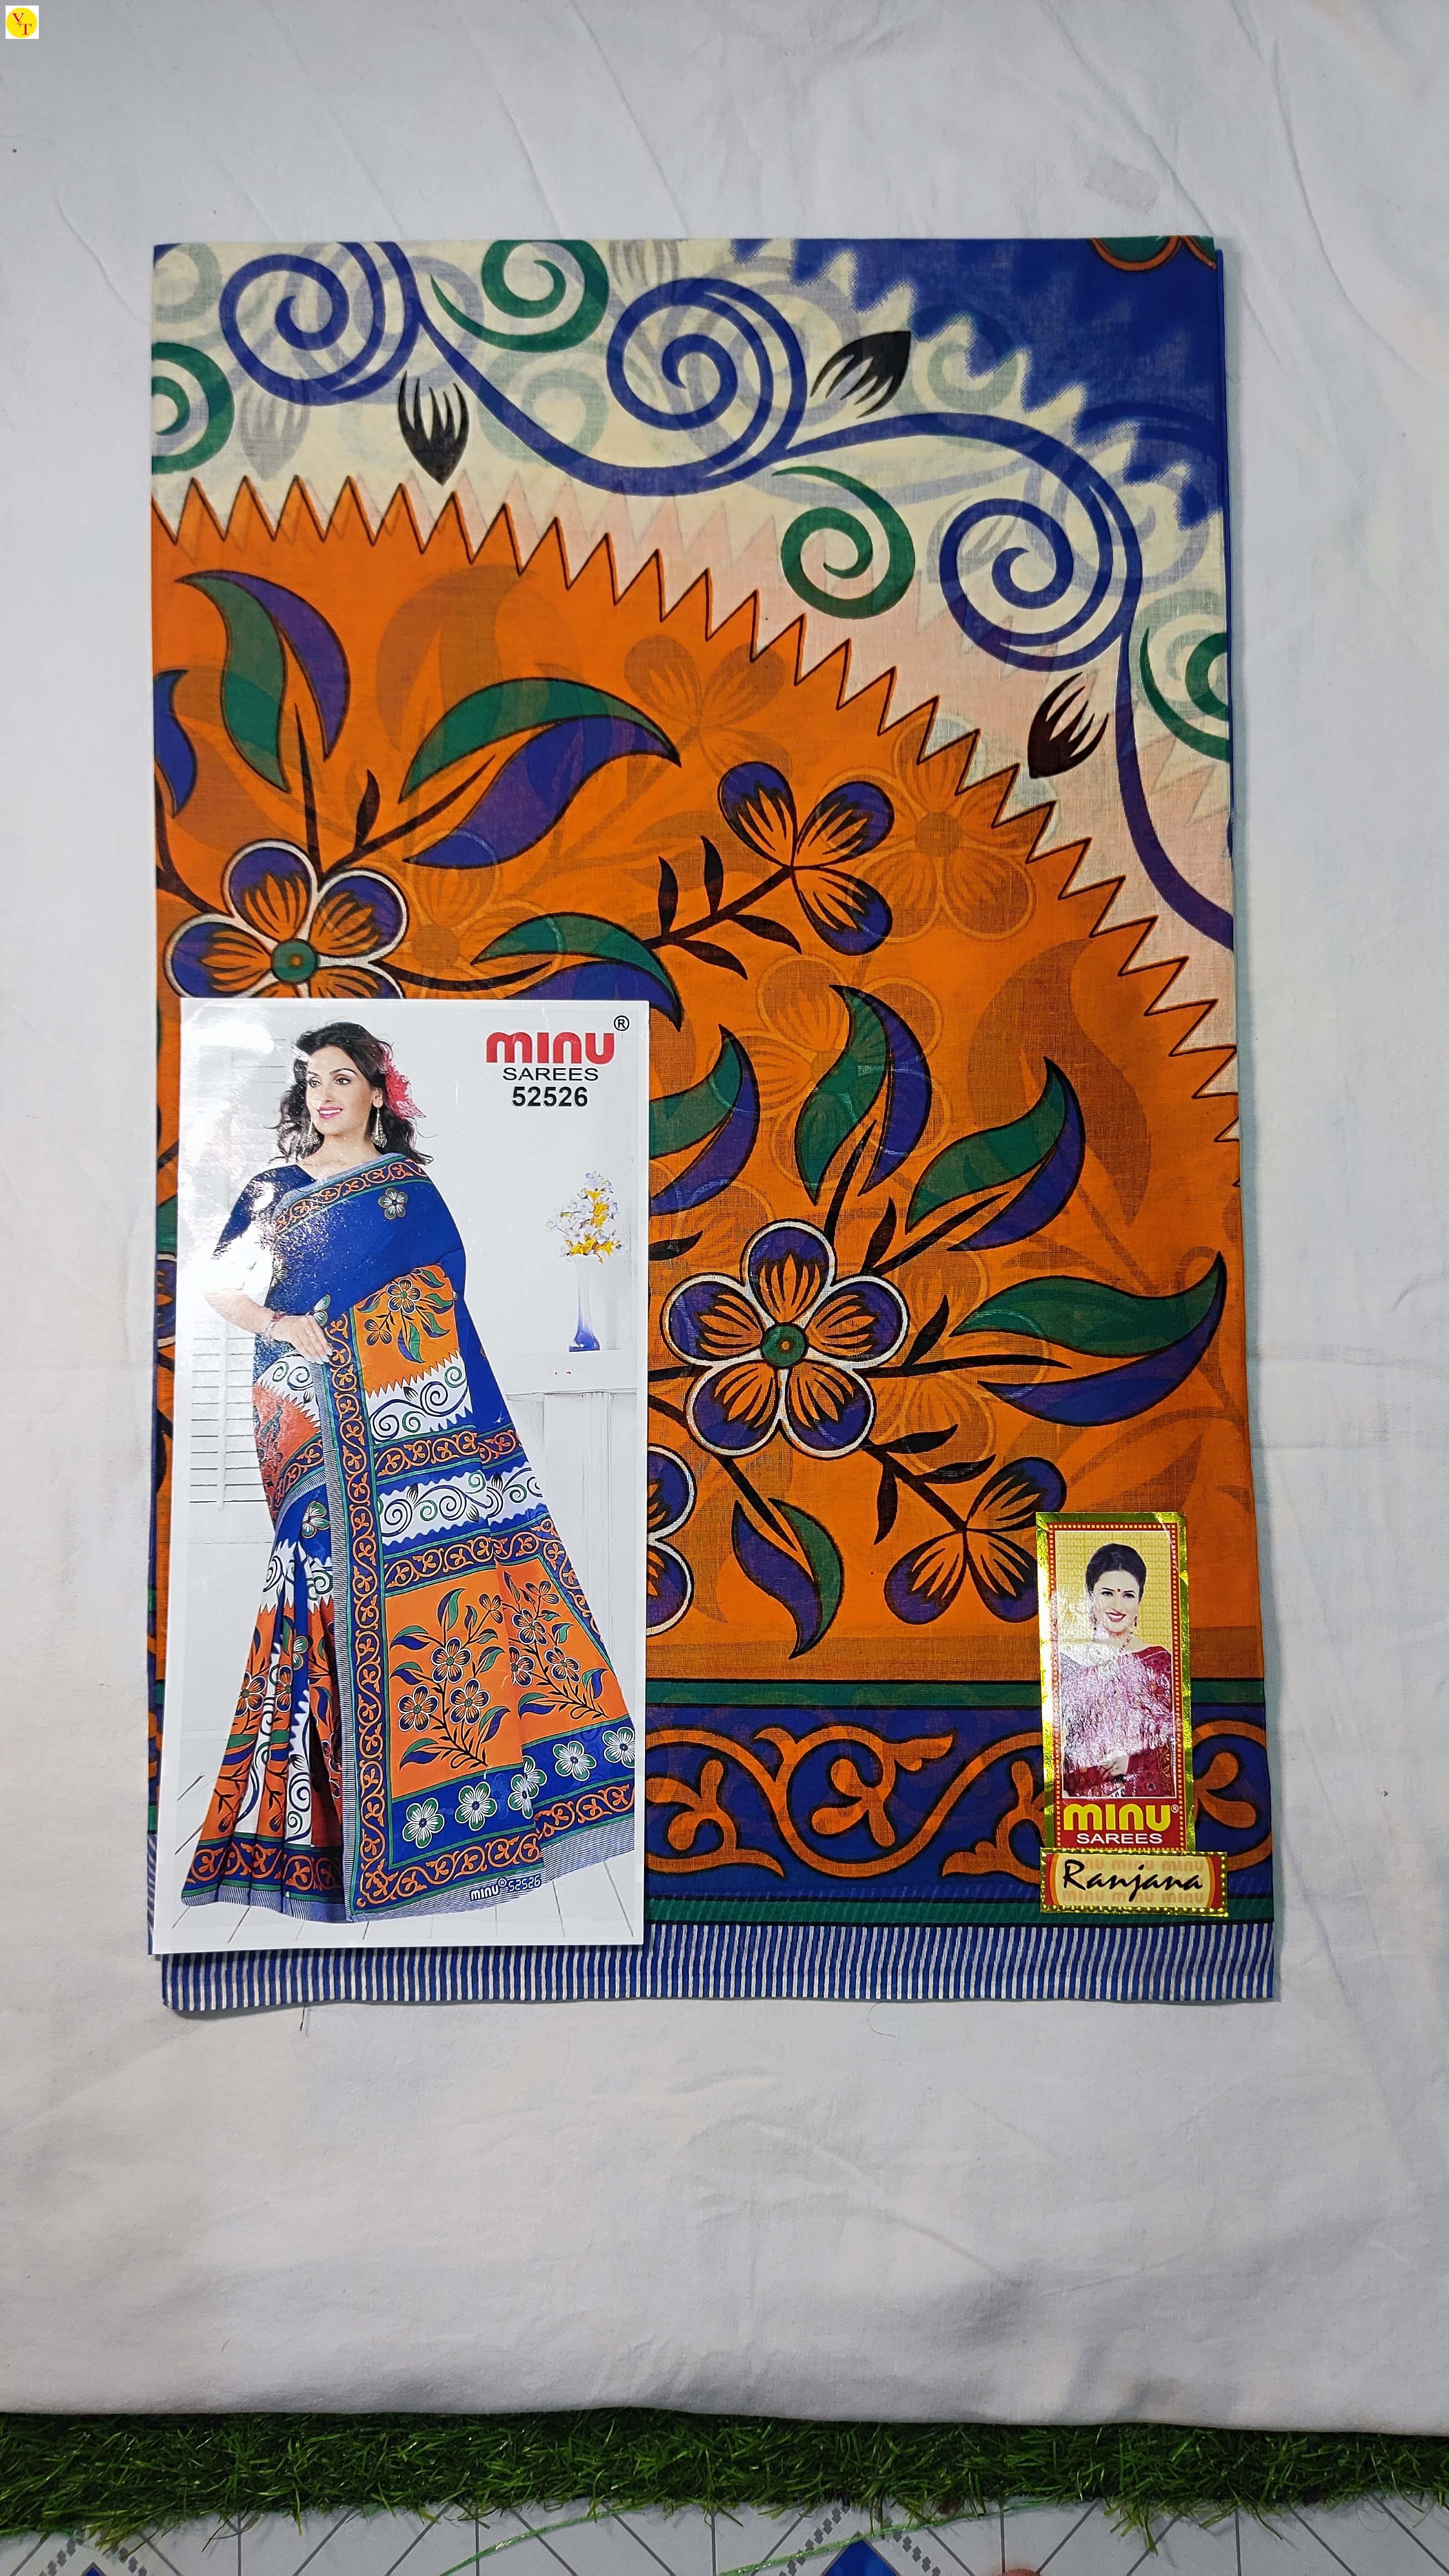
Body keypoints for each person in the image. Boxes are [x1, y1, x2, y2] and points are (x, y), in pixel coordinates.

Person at [183, 1020, 634, 1922]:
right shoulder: (273, 1189)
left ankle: (390, 1831)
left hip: (404, 1406)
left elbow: (445, 1299)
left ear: (376, 1092)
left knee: (397, 1587)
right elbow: (219, 1285)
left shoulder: (407, 1191)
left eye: (342, 1079)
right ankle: (315, 1835)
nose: (324, 1095)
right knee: (318, 1571)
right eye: (313, 1081)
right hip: (300, 1405)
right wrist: (281, 1325)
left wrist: (366, 1343)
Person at [1056, 1542, 1177, 1800]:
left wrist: (1131, 1762)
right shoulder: (1068, 1661)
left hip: (1143, 1806)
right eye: (1107, 1593)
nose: (1117, 1606)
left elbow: (1175, 1741)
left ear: (1139, 1601)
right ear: (1091, 1596)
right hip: (1078, 1803)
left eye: (1128, 1595)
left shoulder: (1157, 1663)